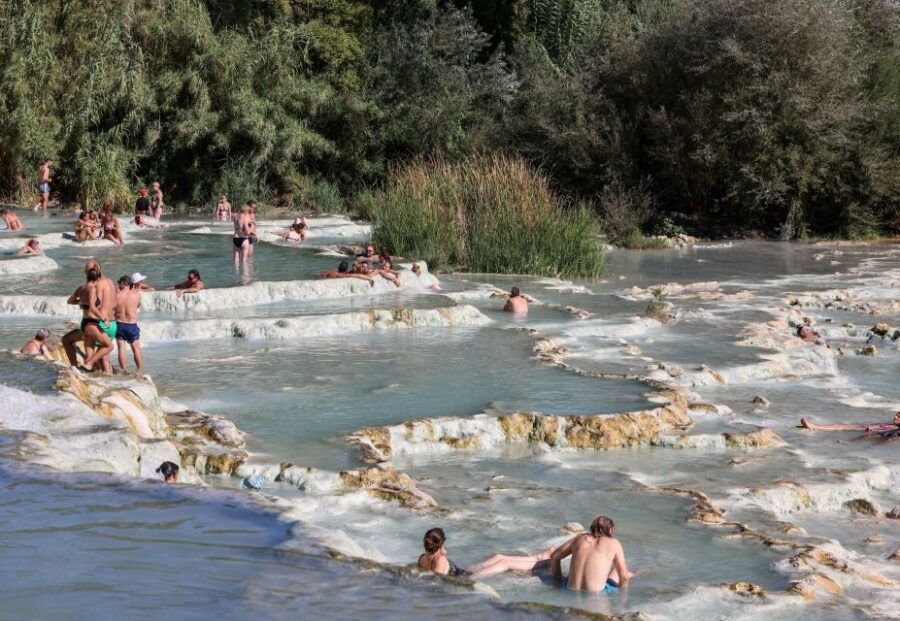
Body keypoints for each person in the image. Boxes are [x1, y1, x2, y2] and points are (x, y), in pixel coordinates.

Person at [551, 515, 633, 594]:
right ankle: (637, 573)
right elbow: (624, 577)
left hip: (569, 590)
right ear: (611, 530)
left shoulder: (578, 538)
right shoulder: (614, 543)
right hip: (597, 595)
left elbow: (554, 556)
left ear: (592, 528)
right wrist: (622, 595)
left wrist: (558, 579)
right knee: (621, 570)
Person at [65, 260, 117, 373]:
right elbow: (114, 302)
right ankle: (108, 380)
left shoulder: (94, 285)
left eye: (86, 271)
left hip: (98, 323)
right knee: (105, 360)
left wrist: (83, 303)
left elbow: (94, 305)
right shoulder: (110, 282)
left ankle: (82, 369)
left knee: (93, 357)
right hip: (113, 324)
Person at [114, 275, 144, 373]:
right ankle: (139, 371)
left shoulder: (116, 295)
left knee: (121, 350)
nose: (119, 285)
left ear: (123, 283)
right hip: (131, 325)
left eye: (119, 283)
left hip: (119, 324)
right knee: (136, 349)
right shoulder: (136, 295)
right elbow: (138, 306)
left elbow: (112, 309)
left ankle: (124, 371)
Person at [467, 547, 556, 580]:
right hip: (541, 559)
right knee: (499, 557)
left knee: (505, 563)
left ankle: (470, 578)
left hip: (545, 563)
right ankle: (468, 571)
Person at [800, 412, 900, 433]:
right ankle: (817, 427)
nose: (895, 417)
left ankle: (815, 428)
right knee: (837, 425)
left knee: (839, 427)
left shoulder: (895, 428)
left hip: (862, 430)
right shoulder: (891, 424)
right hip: (861, 427)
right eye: (896, 414)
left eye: (898, 416)